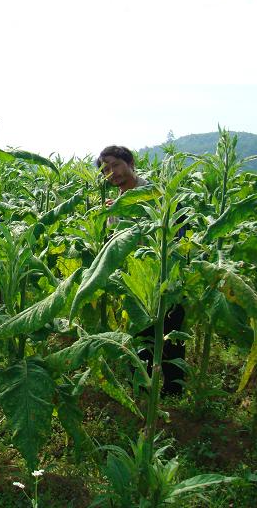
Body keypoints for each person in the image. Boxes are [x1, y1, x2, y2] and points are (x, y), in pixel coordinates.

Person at [96, 145, 186, 396]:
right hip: (137, 281)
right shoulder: (115, 205)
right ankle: (145, 391)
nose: (112, 173)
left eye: (115, 165)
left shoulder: (155, 194)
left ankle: (173, 393)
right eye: (105, 169)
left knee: (171, 336)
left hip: (165, 276)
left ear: (130, 163)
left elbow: (178, 233)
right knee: (141, 335)